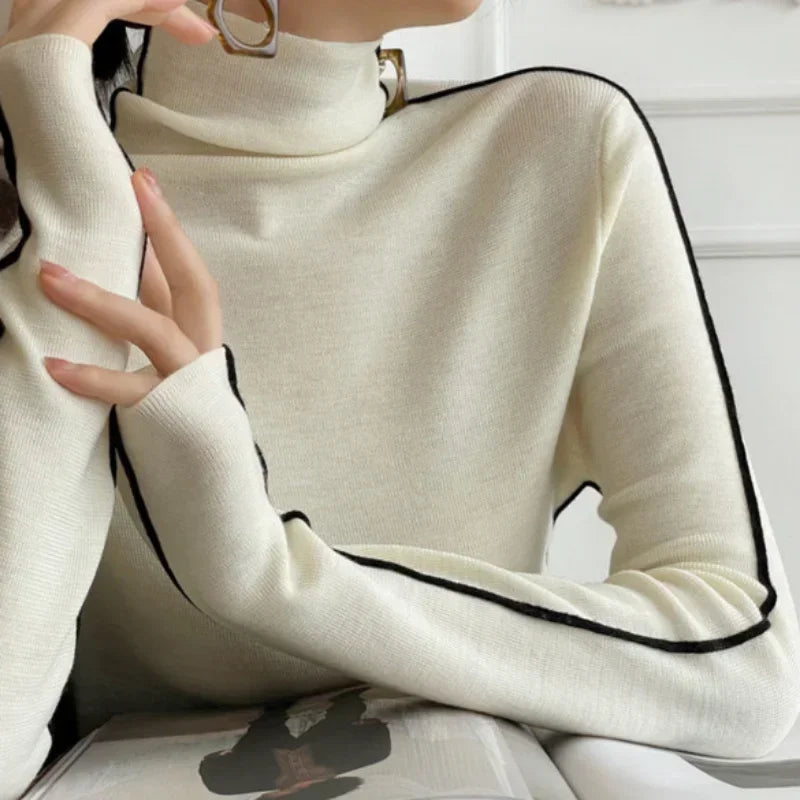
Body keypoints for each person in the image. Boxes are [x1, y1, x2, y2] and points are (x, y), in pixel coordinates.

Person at [1, 0, 799, 797]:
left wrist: (262, 571)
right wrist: (80, 223)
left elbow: (743, 672)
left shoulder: (558, 147)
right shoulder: (52, 182)